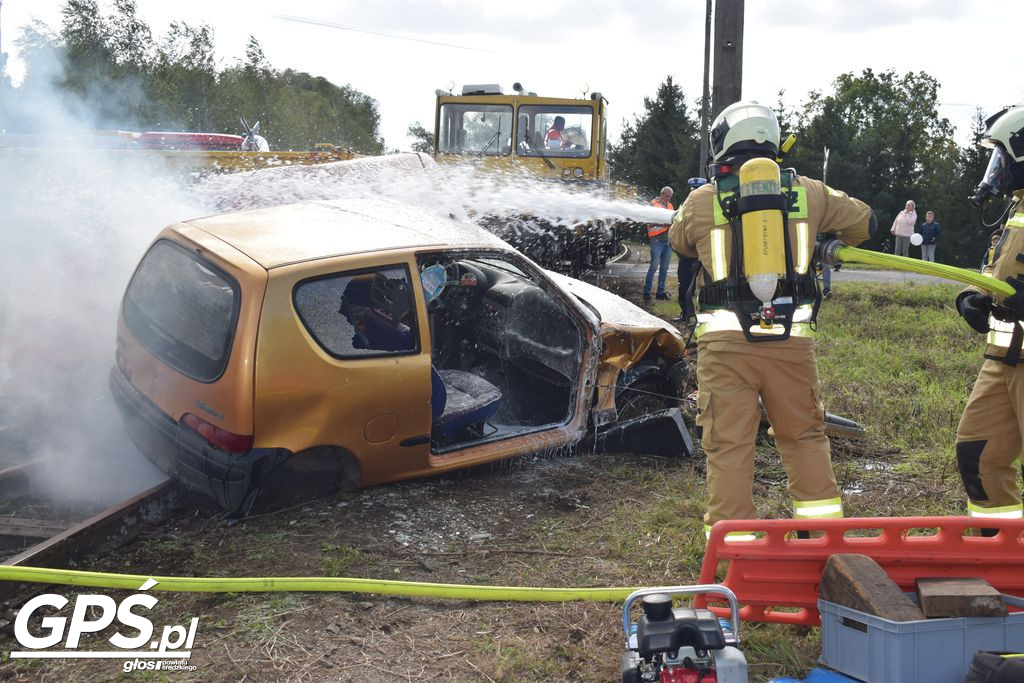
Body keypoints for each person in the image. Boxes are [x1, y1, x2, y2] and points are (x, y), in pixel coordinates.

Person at [669, 100, 875, 537]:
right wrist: (821, 240)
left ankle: (734, 548)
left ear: (723, 144)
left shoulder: (702, 199)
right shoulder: (810, 192)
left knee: (729, 446)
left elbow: (680, 243)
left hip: (725, 348)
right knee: (804, 437)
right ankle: (820, 541)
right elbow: (864, 223)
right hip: (791, 343)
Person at [954, 105, 1024, 525]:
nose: (996, 169)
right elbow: (997, 268)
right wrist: (971, 296)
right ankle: (1004, 552)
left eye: (1002, 157)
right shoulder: (1017, 208)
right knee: (977, 453)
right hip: (1004, 358)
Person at [676, 178, 707, 322]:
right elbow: (678, 226)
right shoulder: (685, 206)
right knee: (685, 285)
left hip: (701, 253)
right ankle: (687, 314)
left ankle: (701, 314)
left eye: (696, 189)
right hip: (689, 254)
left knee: (704, 285)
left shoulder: (707, 205)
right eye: (692, 189)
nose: (693, 192)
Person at [644, 186, 675, 303]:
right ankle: (646, 293)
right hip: (656, 241)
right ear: (662, 194)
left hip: (667, 242)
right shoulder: (653, 204)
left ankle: (660, 293)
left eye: (670, 197)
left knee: (664, 268)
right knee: (653, 267)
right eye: (666, 196)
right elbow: (650, 222)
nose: (667, 199)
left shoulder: (671, 206)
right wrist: (665, 224)